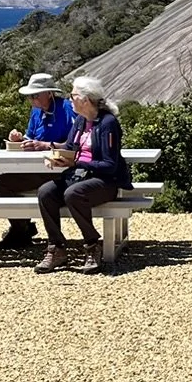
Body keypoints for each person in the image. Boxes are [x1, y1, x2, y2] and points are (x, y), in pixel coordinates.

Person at [36, 76, 131, 273]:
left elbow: (109, 165)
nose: (70, 100)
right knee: (46, 192)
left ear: (85, 100)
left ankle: (92, 245)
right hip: (79, 176)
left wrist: (75, 162)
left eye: (73, 96)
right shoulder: (80, 121)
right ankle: (56, 249)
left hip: (105, 181)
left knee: (73, 194)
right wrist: (56, 156)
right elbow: (71, 147)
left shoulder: (107, 123)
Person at [0, 73, 78, 248]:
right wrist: (17, 139)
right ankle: (23, 225)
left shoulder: (66, 110)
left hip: (57, 168)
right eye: (29, 95)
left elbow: (75, 144)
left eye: (35, 95)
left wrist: (47, 145)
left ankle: (20, 230)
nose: (31, 99)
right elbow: (30, 138)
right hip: (36, 166)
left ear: (49, 94)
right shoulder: (36, 112)